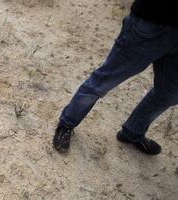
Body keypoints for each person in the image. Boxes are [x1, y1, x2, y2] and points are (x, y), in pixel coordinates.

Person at [53, 0, 178, 155]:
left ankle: (132, 133)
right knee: (104, 81)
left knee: (170, 94)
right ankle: (66, 124)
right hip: (152, 23)